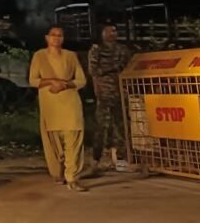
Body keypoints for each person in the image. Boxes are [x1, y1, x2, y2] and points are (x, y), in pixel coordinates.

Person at [29, 26, 88, 192]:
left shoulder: (71, 56)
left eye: (60, 35)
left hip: (70, 102)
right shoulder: (39, 56)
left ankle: (72, 178)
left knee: (74, 138)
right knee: (54, 144)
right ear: (47, 38)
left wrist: (65, 85)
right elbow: (33, 80)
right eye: (53, 35)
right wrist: (51, 81)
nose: (56, 38)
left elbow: (81, 80)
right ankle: (58, 173)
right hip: (50, 106)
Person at [88, 24, 133, 172]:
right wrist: (113, 68)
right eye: (108, 31)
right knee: (101, 127)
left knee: (121, 127)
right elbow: (94, 71)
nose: (112, 33)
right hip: (104, 94)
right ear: (102, 33)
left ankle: (121, 159)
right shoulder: (97, 50)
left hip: (120, 93)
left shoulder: (122, 50)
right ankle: (96, 159)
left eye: (114, 31)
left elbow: (128, 68)